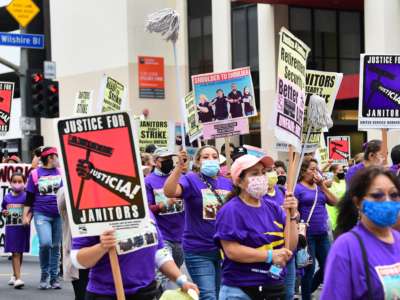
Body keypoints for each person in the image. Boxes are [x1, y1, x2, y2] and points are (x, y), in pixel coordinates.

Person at [215, 154, 298, 300]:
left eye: (263, 172)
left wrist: (292, 215)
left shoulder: (274, 208)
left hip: (271, 289)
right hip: (240, 290)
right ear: (239, 181)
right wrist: (270, 256)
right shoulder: (231, 211)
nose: (261, 177)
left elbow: (290, 247)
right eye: (254, 174)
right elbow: (232, 251)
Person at [164, 146, 233, 300]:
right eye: (206, 157)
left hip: (224, 250)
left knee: (221, 295)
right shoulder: (191, 179)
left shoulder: (228, 183)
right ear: (198, 161)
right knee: (208, 296)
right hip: (199, 250)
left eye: (214, 156)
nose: (210, 160)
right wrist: (178, 168)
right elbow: (169, 191)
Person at [70, 218, 199, 300]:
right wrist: (101, 247)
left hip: (145, 292)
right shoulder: (95, 214)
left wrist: (182, 281)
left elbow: (160, 253)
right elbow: (77, 260)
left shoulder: (144, 210)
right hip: (106, 294)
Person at [322, 167, 400, 299]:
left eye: (393, 195)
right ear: (358, 202)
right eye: (377, 195)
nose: (387, 201)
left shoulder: (398, 239)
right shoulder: (346, 247)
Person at [295, 158, 338, 300]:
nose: (316, 172)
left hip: (323, 234)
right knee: (309, 269)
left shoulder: (320, 186)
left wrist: (323, 186)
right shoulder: (298, 188)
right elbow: (293, 212)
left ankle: (309, 289)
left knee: (328, 267)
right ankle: (306, 296)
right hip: (307, 236)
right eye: (312, 169)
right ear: (303, 171)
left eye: (316, 169)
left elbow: (335, 202)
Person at [23, 147, 63, 290]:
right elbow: (29, 198)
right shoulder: (35, 174)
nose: (57, 159)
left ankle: (54, 277)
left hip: (59, 214)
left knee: (56, 246)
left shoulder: (61, 173)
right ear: (48, 158)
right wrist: (25, 216)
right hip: (41, 213)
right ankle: (44, 274)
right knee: (46, 243)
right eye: (54, 156)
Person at [145, 148, 185, 290]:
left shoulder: (180, 177)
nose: (169, 163)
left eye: (170, 160)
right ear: (156, 162)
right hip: (163, 234)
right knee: (163, 275)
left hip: (181, 234)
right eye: (165, 160)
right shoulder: (148, 181)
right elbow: (147, 209)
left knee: (176, 268)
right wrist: (163, 205)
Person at [263, 165, 297, 300]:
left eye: (271, 170)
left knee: (288, 294)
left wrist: (293, 211)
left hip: (288, 254)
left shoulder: (284, 192)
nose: (270, 174)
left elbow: (295, 216)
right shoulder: (258, 196)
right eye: (265, 172)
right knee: (272, 294)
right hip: (272, 257)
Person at [57, 188, 89, 300]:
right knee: (81, 293)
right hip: (77, 250)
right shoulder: (64, 191)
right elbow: (62, 204)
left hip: (98, 251)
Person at [1, 172, 30, 289]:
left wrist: (28, 218)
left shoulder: (26, 196)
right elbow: (3, 208)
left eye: (20, 181)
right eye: (15, 182)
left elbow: (31, 209)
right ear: (10, 183)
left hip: (22, 228)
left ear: (24, 183)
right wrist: (4, 212)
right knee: (15, 252)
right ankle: (18, 278)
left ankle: (14, 274)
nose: (17, 184)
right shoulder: (7, 197)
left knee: (20, 251)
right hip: (11, 228)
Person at [327, 164, 346, 234]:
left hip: (344, 216)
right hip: (333, 217)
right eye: (340, 170)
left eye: (342, 170)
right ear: (333, 173)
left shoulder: (344, 182)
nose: (342, 172)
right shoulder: (328, 184)